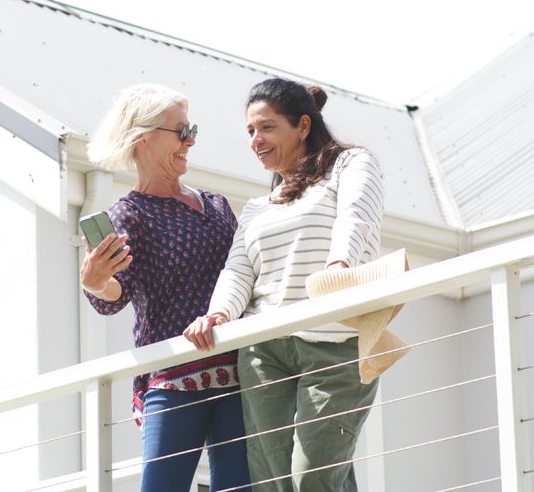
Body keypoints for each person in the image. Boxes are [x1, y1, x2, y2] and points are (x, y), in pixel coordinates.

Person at [184, 78, 386, 491]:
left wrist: (339, 264)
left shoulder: (350, 164)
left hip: (334, 340)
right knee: (274, 482)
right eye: (250, 131)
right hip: (265, 349)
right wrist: (219, 313)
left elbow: (356, 216)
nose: (255, 140)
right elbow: (238, 271)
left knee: (312, 476)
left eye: (267, 127)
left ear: (304, 127)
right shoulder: (258, 206)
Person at [80, 84, 251, 492]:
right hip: (175, 376)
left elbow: (246, 275)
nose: (190, 140)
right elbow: (114, 294)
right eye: (180, 131)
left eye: (192, 129)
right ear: (142, 138)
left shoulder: (217, 205)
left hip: (239, 372)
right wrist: (95, 282)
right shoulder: (129, 215)